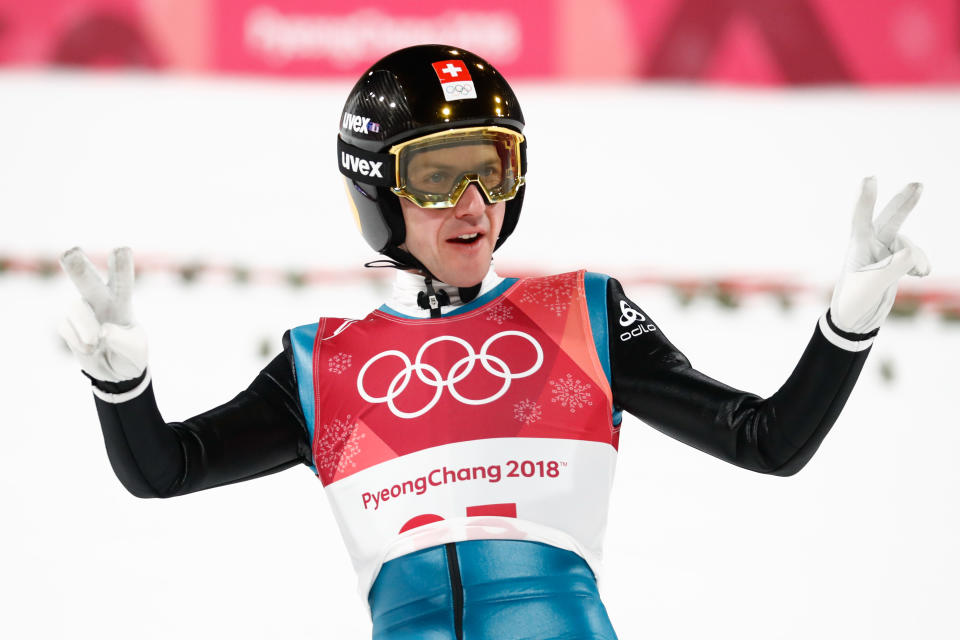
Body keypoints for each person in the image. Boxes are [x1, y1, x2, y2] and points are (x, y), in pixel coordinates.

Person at [58, 44, 930, 640]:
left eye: (495, 167)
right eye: (437, 177)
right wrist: (123, 390)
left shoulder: (582, 319)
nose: (473, 202)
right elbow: (162, 469)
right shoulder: (320, 368)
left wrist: (845, 326)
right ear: (377, 191)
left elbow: (767, 440)